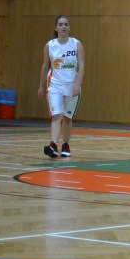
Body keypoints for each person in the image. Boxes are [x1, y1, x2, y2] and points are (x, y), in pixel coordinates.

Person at [38, 15, 84, 158]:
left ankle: (65, 145)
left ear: (69, 27)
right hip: (54, 86)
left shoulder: (76, 44)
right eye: (60, 24)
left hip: (72, 86)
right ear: (56, 28)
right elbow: (45, 66)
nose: (63, 26)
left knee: (67, 117)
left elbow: (82, 66)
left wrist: (78, 84)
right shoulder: (50, 45)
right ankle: (53, 144)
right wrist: (41, 86)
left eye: (66, 24)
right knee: (56, 115)